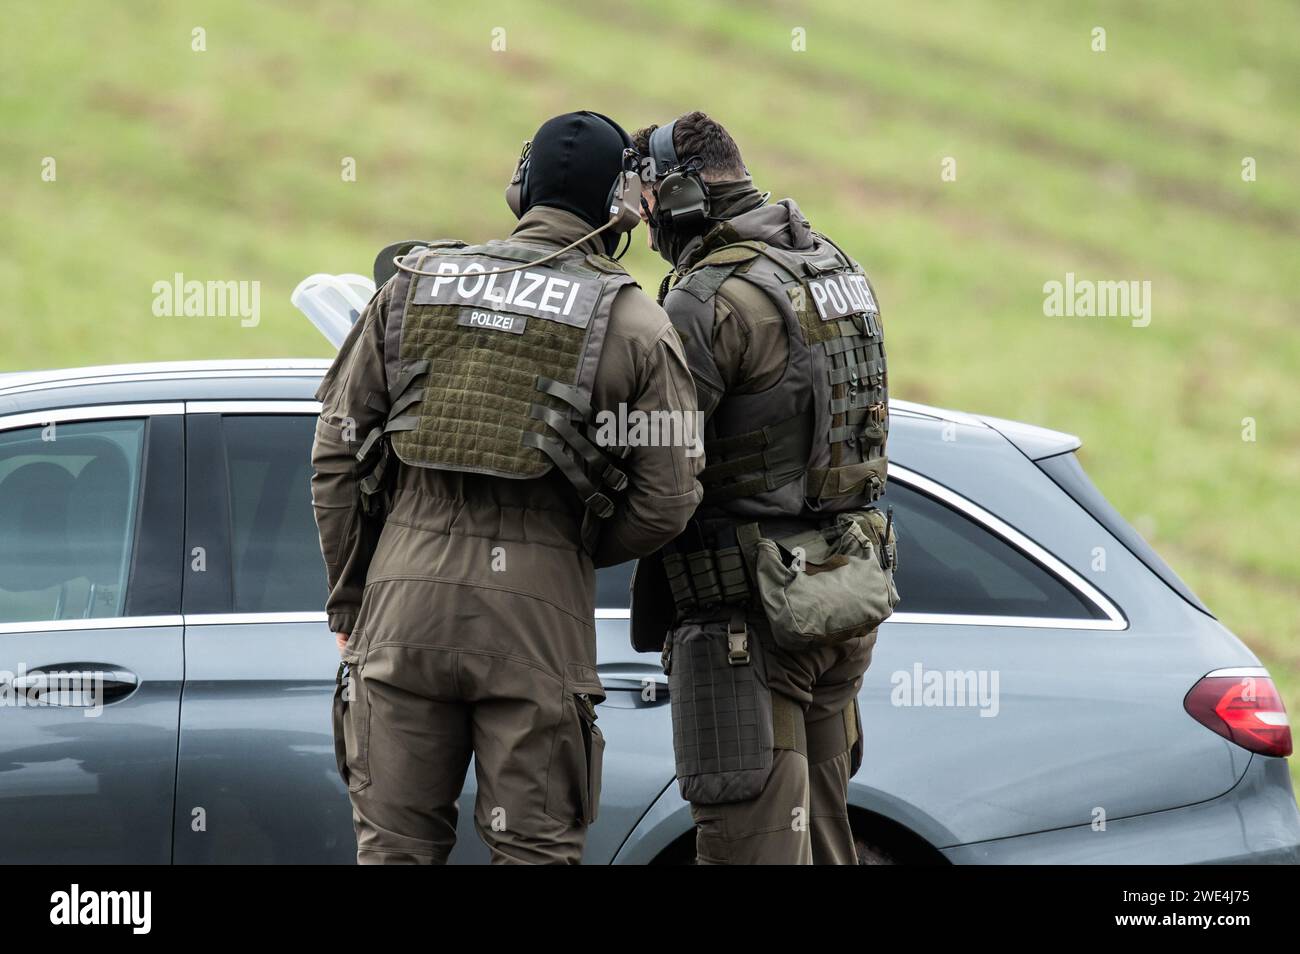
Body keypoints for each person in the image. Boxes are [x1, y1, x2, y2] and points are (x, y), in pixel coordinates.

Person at [311, 111, 703, 864]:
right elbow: (670, 498)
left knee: (394, 850)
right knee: (533, 853)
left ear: (520, 187)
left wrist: (350, 595)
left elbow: (336, 455)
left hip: (402, 609)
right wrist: (572, 544)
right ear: (620, 205)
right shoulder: (636, 324)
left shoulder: (413, 284)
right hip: (538, 625)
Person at [630, 111, 897, 865]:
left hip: (748, 621)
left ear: (681, 196)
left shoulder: (708, 300)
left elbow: (655, 467)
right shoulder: (833, 268)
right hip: (839, 599)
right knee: (826, 844)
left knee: (751, 851)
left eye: (651, 206)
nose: (647, 228)